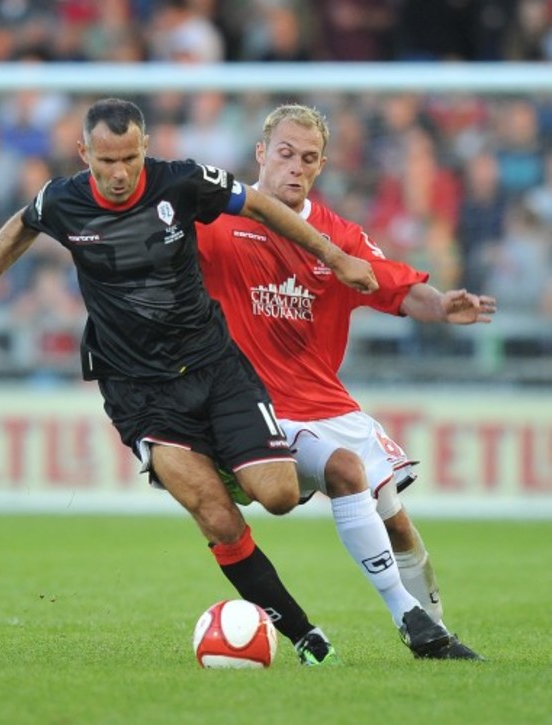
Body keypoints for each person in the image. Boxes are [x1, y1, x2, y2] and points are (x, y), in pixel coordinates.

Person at [0, 98, 392, 667]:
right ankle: (306, 637)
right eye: (107, 161)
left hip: (214, 365)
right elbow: (22, 226)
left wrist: (332, 254)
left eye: (131, 157)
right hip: (138, 389)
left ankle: (223, 463)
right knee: (218, 519)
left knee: (277, 496)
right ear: (85, 154)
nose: (121, 172)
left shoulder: (181, 183)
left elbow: (256, 204)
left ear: (145, 148)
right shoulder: (64, 199)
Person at [198, 103, 497, 660]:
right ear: (261, 154)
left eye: (309, 159)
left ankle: (434, 635)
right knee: (343, 471)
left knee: (399, 525)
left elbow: (396, 287)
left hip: (328, 403)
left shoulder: (337, 236)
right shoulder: (214, 220)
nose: (295, 167)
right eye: (285, 154)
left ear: (321, 166)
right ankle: (406, 616)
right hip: (256, 407)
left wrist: (441, 306)